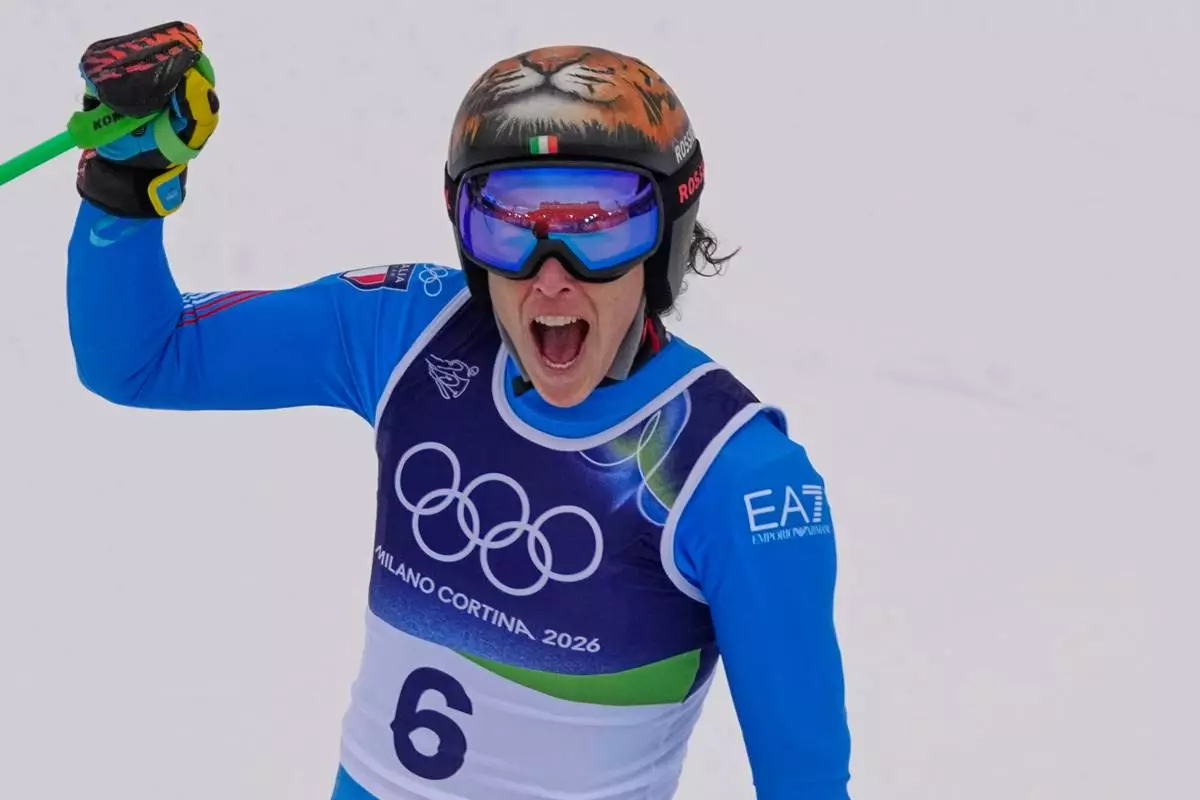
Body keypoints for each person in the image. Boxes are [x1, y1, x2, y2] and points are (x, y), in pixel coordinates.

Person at [66, 20, 853, 800]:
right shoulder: (406, 334)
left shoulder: (733, 476)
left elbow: (805, 783)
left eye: (599, 224)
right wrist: (127, 181)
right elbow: (142, 357)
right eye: (508, 224)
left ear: (666, 241)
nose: (551, 277)